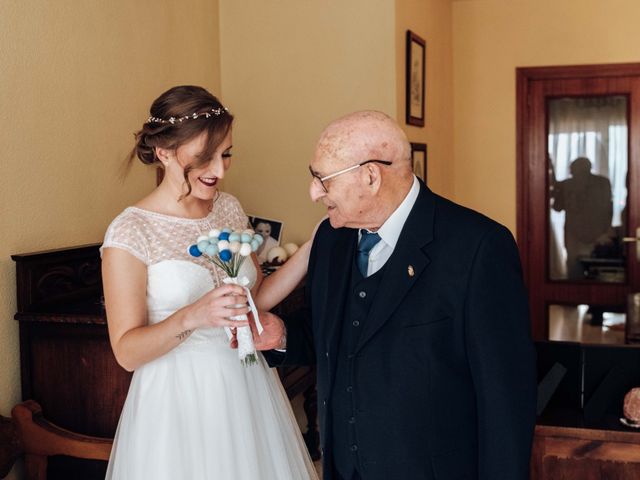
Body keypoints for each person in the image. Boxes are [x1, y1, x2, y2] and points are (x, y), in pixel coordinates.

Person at [254, 111, 537, 480]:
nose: (314, 192)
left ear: (371, 176)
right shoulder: (330, 239)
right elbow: (330, 333)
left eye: (322, 179)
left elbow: (506, 403)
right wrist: (282, 335)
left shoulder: (479, 247)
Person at [100, 85, 318, 480]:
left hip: (247, 384)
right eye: (204, 157)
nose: (219, 170)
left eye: (226, 154)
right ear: (163, 153)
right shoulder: (131, 231)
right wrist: (191, 317)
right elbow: (126, 352)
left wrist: (314, 247)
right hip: (177, 400)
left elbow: (257, 298)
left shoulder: (228, 208)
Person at [550, 156, 613, 279]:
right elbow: (609, 209)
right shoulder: (603, 183)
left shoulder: (567, 185)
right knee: (596, 273)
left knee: (575, 273)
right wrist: (606, 230)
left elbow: (557, 207)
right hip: (596, 234)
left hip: (577, 235)